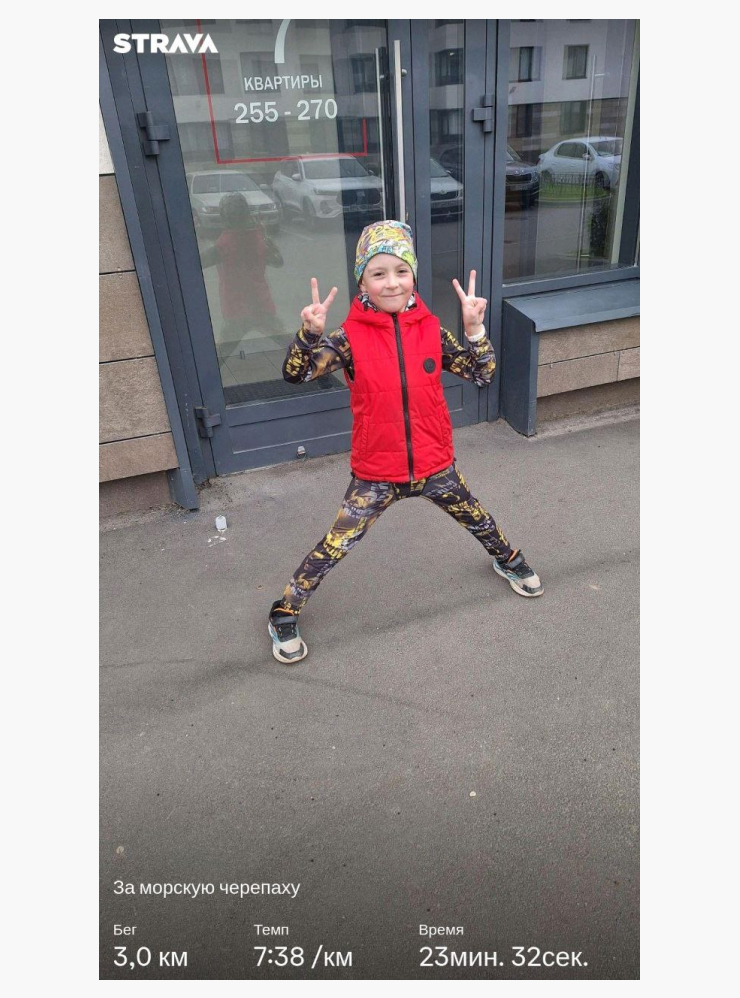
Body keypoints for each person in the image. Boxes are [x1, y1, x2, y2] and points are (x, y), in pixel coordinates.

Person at [268, 220, 542, 664]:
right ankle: (285, 609)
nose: (391, 282)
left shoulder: (431, 329)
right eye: (378, 273)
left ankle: (507, 559)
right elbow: (295, 373)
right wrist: (309, 335)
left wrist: (475, 330)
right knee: (335, 545)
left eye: (401, 271)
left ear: (413, 275)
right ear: (363, 281)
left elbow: (482, 374)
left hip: (435, 464)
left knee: (478, 518)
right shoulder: (348, 338)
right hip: (377, 473)